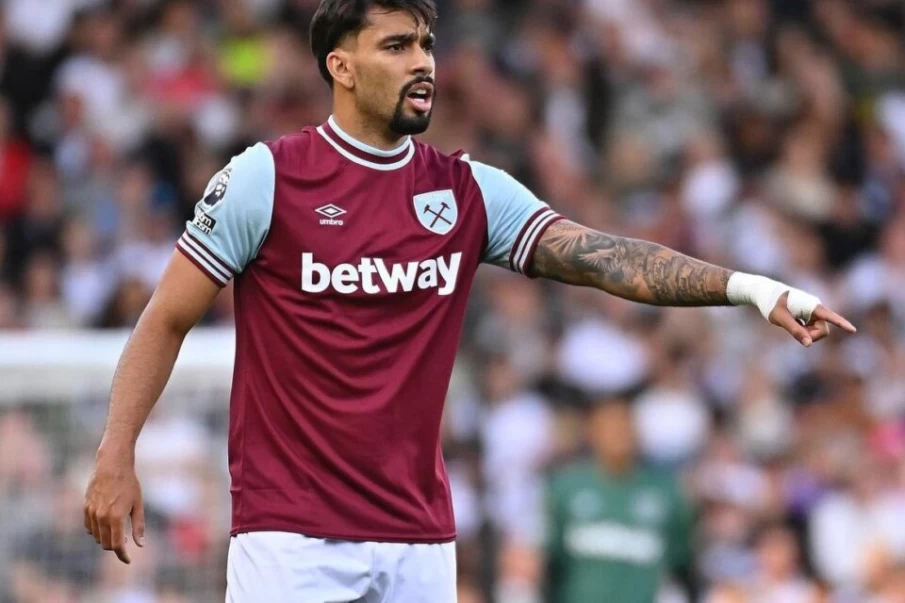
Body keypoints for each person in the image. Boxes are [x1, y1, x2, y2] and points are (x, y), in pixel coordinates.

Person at [82, 0, 856, 600]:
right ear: (340, 66)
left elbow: (605, 259)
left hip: (420, 536)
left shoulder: (466, 191)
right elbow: (168, 316)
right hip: (292, 535)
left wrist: (749, 287)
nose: (423, 62)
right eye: (397, 45)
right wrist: (116, 451)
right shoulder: (267, 178)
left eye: (425, 43)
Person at [543, 398, 695, 603]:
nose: (618, 434)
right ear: (592, 433)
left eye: (625, 425)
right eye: (609, 426)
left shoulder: (666, 492)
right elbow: (547, 560)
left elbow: (680, 562)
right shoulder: (565, 488)